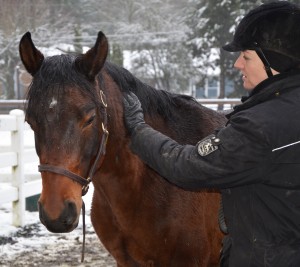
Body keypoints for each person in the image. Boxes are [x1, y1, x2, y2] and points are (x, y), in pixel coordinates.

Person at [122, 1, 300, 266]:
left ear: (273, 62)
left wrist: (137, 130)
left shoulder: (259, 127)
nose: (238, 64)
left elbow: (189, 166)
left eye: (247, 56)